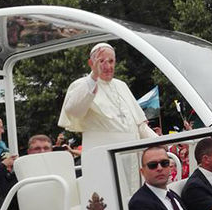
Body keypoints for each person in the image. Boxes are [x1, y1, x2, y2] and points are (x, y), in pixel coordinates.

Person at [58, 43, 157, 194]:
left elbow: (139, 125)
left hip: (131, 158)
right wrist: (93, 78)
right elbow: (74, 110)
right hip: (102, 159)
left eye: (111, 61)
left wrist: (163, 145)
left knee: (134, 198)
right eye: (101, 61)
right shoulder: (81, 84)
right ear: (91, 63)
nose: (107, 66)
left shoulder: (121, 86)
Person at [129, 146, 212, 210]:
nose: (159, 168)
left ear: (169, 167)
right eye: (152, 165)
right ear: (142, 172)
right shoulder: (139, 203)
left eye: (164, 163)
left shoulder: (172, 195)